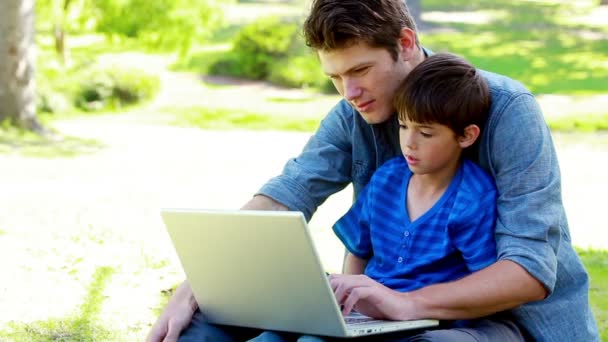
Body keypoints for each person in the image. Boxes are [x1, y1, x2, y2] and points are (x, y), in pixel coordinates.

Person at [147, 0, 600, 341]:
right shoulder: (353, 115)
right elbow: (291, 191)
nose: (350, 92)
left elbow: (529, 272)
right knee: (203, 325)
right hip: (386, 309)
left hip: (502, 322)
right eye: (335, 78)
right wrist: (202, 282)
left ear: (405, 44)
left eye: (360, 69)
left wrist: (405, 303)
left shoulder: (506, 110)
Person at [250, 52, 524, 341]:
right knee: (272, 336)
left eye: (426, 133)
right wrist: (349, 298)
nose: (409, 143)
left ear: (466, 136)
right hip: (367, 311)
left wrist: (416, 307)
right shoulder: (387, 178)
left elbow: (482, 282)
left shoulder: (473, 198)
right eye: (403, 127)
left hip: (421, 320)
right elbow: (359, 249)